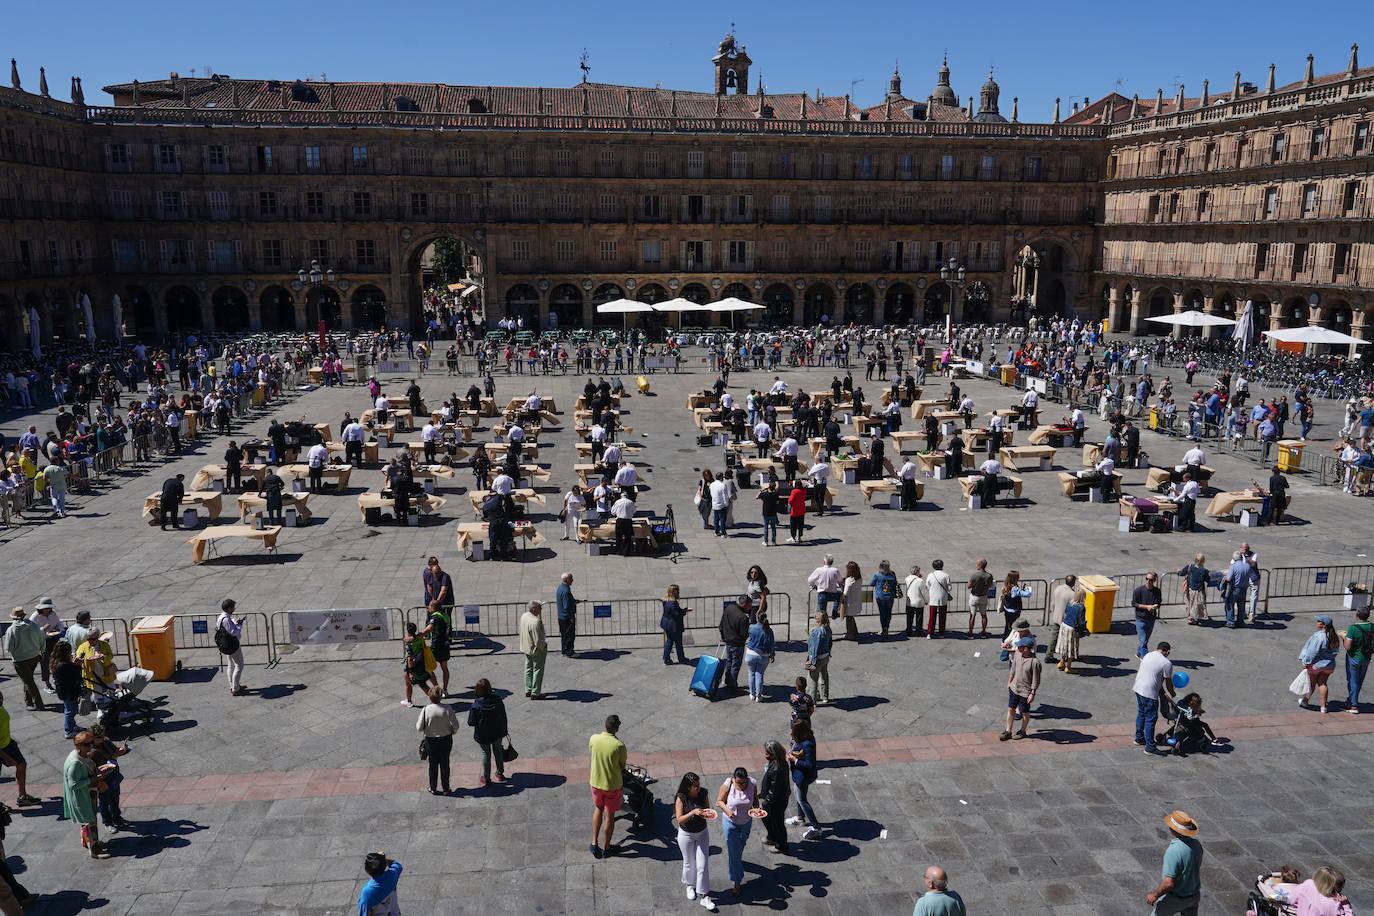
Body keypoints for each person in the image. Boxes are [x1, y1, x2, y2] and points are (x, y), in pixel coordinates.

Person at [673, 772, 717, 910]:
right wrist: (693, 812)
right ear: (688, 787)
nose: (698, 788)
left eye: (698, 785)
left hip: (702, 833)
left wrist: (706, 813)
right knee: (689, 862)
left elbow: (708, 810)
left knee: (702, 865)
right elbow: (679, 819)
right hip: (686, 834)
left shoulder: (703, 793)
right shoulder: (681, 798)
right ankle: (689, 885)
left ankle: (704, 895)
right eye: (695, 786)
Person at [1145, 811, 1203, 915]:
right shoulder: (1196, 844)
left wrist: (1155, 895)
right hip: (1194, 896)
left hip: (1176, 898)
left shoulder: (1173, 851)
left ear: (1172, 829)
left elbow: (1168, 883)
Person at [62, 731, 109, 858]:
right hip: (83, 797)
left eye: (91, 742)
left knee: (88, 821)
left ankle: (87, 841)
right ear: (78, 745)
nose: (91, 746)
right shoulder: (75, 762)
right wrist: (93, 780)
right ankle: (94, 851)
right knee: (90, 822)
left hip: (88, 794)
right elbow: (73, 784)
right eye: (87, 744)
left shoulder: (82, 755)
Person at [588, 714, 627, 859]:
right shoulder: (619, 746)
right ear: (616, 729)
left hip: (596, 783)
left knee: (598, 808)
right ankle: (606, 847)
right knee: (609, 816)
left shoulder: (594, 739)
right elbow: (622, 766)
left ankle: (594, 843)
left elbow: (593, 752)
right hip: (612, 785)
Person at [716, 766, 758, 898]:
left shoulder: (752, 783)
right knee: (734, 852)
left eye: (744, 782)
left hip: (746, 821)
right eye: (739, 782)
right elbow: (719, 801)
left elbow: (755, 799)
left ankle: (737, 862)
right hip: (730, 823)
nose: (742, 785)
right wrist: (727, 810)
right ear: (734, 779)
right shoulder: (728, 784)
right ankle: (737, 881)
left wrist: (757, 808)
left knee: (740, 846)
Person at [415, 685, 459, 795]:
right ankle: (445, 788)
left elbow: (419, 727)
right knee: (445, 764)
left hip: (431, 741)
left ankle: (433, 787)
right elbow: (456, 725)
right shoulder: (447, 708)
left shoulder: (425, 710)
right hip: (446, 739)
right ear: (440, 697)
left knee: (433, 765)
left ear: (430, 697)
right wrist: (452, 730)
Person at [1134, 642, 1176, 756]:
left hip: (1138, 688)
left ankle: (1139, 738)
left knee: (1141, 713)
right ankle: (1150, 747)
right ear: (1168, 652)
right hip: (1149, 694)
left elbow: (1153, 676)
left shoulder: (1148, 655)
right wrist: (1172, 693)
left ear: (1157, 649)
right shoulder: (1166, 663)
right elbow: (1168, 682)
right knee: (1151, 719)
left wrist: (1162, 692)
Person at [88, 723, 131, 832]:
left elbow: (115, 752)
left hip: (113, 774)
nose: (102, 739)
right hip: (102, 779)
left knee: (115, 798)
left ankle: (117, 818)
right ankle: (108, 822)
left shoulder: (105, 741)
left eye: (103, 735)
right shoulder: (91, 751)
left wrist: (123, 750)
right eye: (99, 737)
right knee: (104, 801)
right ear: (92, 737)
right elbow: (90, 769)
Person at [467, 678, 508, 787]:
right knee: (498, 751)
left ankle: (487, 777)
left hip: (483, 734)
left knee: (486, 754)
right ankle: (500, 773)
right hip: (497, 732)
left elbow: (471, 722)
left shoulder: (476, 705)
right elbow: (503, 716)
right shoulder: (498, 700)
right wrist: (504, 730)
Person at [785, 718, 822, 840]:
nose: (790, 732)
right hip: (798, 775)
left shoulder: (808, 744)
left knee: (802, 800)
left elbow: (810, 765)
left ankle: (816, 828)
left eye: (793, 730)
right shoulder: (800, 739)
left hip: (803, 776)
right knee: (797, 795)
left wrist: (794, 760)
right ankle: (800, 817)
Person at [1000, 636, 1041, 740]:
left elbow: (1036, 680)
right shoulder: (1017, 654)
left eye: (1020, 646)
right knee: (1011, 709)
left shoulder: (1034, 662)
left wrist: (1032, 693)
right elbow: (1013, 670)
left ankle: (1023, 731)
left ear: (1026, 649)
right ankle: (1008, 730)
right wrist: (1009, 682)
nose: (1018, 648)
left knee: (1025, 712)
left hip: (1025, 692)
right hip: (1014, 688)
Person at [3, 609, 45, 711]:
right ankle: (28, 701)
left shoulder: (11, 630)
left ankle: (39, 704)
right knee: (27, 679)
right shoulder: (34, 626)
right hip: (34, 657)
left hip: (20, 660)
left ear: (13, 617)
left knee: (29, 681)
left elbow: (8, 648)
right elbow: (41, 639)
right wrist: (42, 651)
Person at [0, 692, 37, 807]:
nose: (1, 697)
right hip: (2, 748)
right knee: (20, 764)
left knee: (21, 764)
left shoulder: (0, 707)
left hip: (7, 743)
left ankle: (22, 796)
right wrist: (7, 758)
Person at [1298, 615, 1340, 714]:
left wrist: (1305, 662)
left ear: (1323, 625)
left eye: (1318, 621)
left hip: (1316, 665)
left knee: (1312, 684)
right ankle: (1323, 706)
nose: (1316, 622)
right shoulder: (1333, 636)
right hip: (1329, 665)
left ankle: (1305, 701)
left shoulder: (1318, 636)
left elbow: (1312, 652)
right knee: (1323, 683)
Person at [758, 741, 791, 855]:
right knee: (767, 818)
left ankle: (781, 845)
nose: (765, 755)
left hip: (777, 801)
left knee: (777, 822)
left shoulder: (777, 768)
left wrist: (765, 803)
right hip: (778, 798)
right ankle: (772, 836)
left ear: (774, 754)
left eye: (767, 753)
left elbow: (774, 791)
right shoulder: (778, 763)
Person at [718, 595, 752, 692]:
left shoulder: (729, 608)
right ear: (744, 605)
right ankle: (732, 686)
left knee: (729, 662)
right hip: (737, 644)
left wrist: (723, 636)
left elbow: (721, 625)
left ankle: (727, 681)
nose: (750, 608)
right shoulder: (743, 618)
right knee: (735, 665)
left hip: (728, 642)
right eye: (749, 606)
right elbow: (744, 634)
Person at [418, 600, 451, 696]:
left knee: (428, 668)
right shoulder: (445, 616)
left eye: (429, 606)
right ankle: (445, 689)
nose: (428, 608)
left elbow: (429, 629)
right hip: (445, 644)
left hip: (436, 645)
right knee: (444, 667)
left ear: (433, 607)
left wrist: (419, 635)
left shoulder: (435, 617)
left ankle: (437, 688)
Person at [1343, 607, 1373, 713]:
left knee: (1352, 680)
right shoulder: (1372, 627)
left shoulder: (1353, 628)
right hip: (1366, 657)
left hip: (1354, 658)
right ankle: (1352, 700)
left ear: (1357, 615)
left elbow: (1347, 646)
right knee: (1359, 680)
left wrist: (1343, 637)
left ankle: (1353, 705)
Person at [31, 597, 63, 693]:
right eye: (46, 608)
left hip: (53, 639)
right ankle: (47, 684)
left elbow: (59, 623)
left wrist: (59, 629)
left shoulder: (53, 614)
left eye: (49, 608)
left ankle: (55, 680)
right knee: (44, 663)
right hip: (42, 641)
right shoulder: (35, 617)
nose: (48, 610)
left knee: (56, 661)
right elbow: (31, 631)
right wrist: (43, 629)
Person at [998, 572, 1033, 660]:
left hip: (1007, 610)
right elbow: (1027, 594)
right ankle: (1007, 648)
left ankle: (1005, 644)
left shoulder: (1005, 586)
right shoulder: (1015, 589)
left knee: (1008, 627)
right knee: (1013, 629)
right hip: (1014, 611)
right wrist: (1028, 588)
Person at [217, 599, 248, 696]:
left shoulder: (221, 617)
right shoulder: (226, 619)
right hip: (232, 645)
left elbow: (224, 629)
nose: (234, 609)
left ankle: (233, 685)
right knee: (239, 665)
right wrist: (239, 625)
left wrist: (234, 623)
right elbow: (234, 632)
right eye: (233, 607)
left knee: (231, 665)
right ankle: (235, 688)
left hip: (226, 644)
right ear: (229, 608)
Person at [52, 642, 83, 738]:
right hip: (68, 691)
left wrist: (73, 664)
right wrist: (78, 665)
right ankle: (68, 731)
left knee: (69, 708)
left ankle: (72, 725)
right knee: (70, 710)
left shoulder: (57, 662)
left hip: (64, 690)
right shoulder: (64, 665)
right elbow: (75, 674)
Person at [356, 851, 402, 916]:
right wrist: (382, 859)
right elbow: (396, 864)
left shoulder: (367, 892)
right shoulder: (392, 875)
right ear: (384, 866)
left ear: (367, 870)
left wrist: (380, 860)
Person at [518, 601, 548, 700]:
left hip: (526, 647)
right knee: (538, 670)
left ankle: (528, 689)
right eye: (540, 608)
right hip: (536, 650)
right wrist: (543, 646)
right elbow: (538, 641)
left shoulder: (524, 616)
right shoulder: (536, 622)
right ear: (534, 610)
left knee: (528, 668)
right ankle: (535, 693)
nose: (541, 610)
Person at [400, 622, 435, 708]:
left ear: (408, 631)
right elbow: (425, 632)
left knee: (408, 684)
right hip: (421, 664)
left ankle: (409, 701)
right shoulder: (420, 638)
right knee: (423, 684)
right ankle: (434, 700)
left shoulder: (409, 643)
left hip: (411, 667)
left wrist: (410, 672)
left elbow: (409, 658)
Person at [744, 611, 775, 702]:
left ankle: (752, 693)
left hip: (750, 654)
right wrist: (772, 655)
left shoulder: (751, 627)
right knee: (759, 674)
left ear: (757, 618)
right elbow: (772, 644)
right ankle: (758, 695)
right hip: (763, 655)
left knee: (751, 673)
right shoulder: (769, 630)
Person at [1132, 572, 1163, 660]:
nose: (1148, 581)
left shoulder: (1157, 591)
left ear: (1154, 581)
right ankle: (1145, 658)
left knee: (1145, 640)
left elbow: (1159, 602)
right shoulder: (1138, 590)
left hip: (1151, 619)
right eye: (1147, 579)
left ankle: (1139, 652)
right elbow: (1134, 603)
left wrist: (1155, 606)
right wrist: (1146, 607)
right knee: (1144, 640)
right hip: (1140, 619)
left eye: (1151, 580)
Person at [1056, 588, 1087, 673]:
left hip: (1064, 625)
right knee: (1071, 648)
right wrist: (1085, 631)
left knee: (1065, 646)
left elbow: (1066, 612)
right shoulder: (1081, 607)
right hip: (1072, 629)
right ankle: (1068, 667)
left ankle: (1062, 662)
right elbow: (1081, 621)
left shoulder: (1070, 602)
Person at [806, 611, 832, 706]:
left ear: (818, 619)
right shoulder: (828, 628)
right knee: (824, 676)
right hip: (825, 656)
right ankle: (825, 697)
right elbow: (830, 642)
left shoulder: (816, 631)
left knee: (812, 679)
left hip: (817, 658)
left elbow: (815, 648)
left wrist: (812, 662)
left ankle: (812, 701)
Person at [660, 585, 691, 665]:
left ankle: (666, 658)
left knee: (669, 641)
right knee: (678, 643)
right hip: (674, 626)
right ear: (674, 592)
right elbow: (677, 615)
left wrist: (683, 610)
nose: (679, 593)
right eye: (677, 591)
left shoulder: (666, 600)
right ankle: (681, 658)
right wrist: (684, 612)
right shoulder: (673, 603)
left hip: (667, 624)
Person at [924, 559, 953, 639]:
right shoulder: (946, 575)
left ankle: (929, 633)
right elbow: (949, 588)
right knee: (942, 617)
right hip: (943, 599)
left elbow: (927, 586)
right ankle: (941, 633)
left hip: (933, 598)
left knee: (932, 617)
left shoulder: (930, 575)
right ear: (942, 566)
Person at [870, 560, 899, 638]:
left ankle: (884, 629)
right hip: (890, 596)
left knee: (882, 613)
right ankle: (887, 627)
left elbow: (871, 583)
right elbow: (895, 583)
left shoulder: (877, 575)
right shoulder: (892, 574)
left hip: (881, 596)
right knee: (888, 612)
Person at [1222, 551, 1251, 628]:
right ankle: (1240, 622)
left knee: (1230, 605)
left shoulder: (1233, 567)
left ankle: (1230, 622)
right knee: (1241, 606)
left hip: (1234, 588)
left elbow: (1228, 579)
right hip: (1244, 589)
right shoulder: (1247, 566)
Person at [966, 559, 994, 638]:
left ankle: (970, 632)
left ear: (979, 566)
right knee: (984, 615)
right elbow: (991, 585)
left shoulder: (975, 575)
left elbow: (968, 586)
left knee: (972, 615)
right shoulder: (989, 575)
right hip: (984, 596)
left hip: (974, 596)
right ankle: (984, 632)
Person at [556, 572, 579, 658]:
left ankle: (564, 651)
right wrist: (571, 617)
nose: (572, 580)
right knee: (570, 635)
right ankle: (570, 652)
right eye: (571, 578)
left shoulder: (561, 588)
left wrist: (574, 601)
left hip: (561, 617)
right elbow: (566, 606)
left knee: (564, 635)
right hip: (567, 618)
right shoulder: (566, 591)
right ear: (566, 580)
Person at [756, 479, 780, 546]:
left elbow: (756, 497)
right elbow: (777, 502)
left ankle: (766, 541)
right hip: (773, 513)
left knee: (766, 527)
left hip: (766, 513)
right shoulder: (776, 494)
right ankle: (774, 541)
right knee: (773, 527)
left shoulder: (764, 494)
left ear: (768, 487)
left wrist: (762, 490)